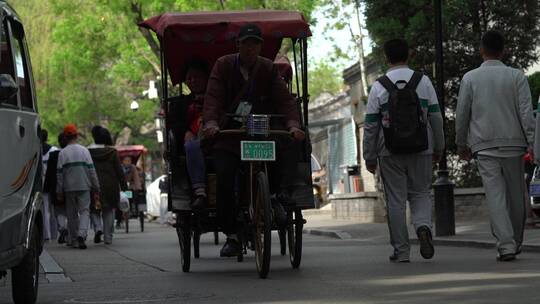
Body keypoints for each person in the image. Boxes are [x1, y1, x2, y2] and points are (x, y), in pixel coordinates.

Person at [202, 24, 305, 257]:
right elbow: (213, 99)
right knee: (224, 176)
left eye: (255, 44)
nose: (250, 48)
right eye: (246, 43)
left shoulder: (267, 68)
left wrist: (293, 125)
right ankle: (232, 234)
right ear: (238, 45)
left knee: (289, 145)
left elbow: (285, 101)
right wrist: (211, 124)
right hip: (229, 134)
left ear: (260, 46)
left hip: (260, 132)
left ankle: (279, 195)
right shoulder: (224, 65)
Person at [362, 38, 445, 263]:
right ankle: (423, 227)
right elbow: (436, 117)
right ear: (408, 55)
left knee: (396, 200)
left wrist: (369, 157)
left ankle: (401, 251)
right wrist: (438, 147)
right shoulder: (424, 82)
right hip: (422, 147)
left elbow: (370, 125)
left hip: (389, 151)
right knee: (420, 193)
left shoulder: (379, 86)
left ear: (386, 58)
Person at [456, 30, 535, 262]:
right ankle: (516, 240)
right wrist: (532, 142)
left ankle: (506, 244)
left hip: (484, 145)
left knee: (495, 196)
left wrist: (461, 144)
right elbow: (525, 113)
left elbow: (462, 115)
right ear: (503, 51)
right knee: (516, 194)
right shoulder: (516, 76)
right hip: (514, 144)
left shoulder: (470, 78)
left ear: (482, 50)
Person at [56, 124, 100, 249]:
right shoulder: (84, 150)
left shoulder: (62, 153)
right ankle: (82, 234)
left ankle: (74, 240)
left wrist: (59, 190)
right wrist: (96, 186)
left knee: (71, 214)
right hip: (84, 185)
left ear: (65, 137)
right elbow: (92, 170)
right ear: (76, 136)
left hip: (69, 188)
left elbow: (59, 174)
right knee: (85, 211)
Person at [88, 126, 128, 245]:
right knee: (109, 210)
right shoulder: (112, 152)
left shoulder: (88, 152)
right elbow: (119, 171)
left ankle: (98, 228)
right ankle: (108, 237)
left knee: (94, 209)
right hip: (110, 185)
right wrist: (124, 187)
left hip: (94, 186)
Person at [183, 60, 210, 210]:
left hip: (216, 135)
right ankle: (200, 193)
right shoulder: (182, 102)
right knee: (191, 146)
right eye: (189, 78)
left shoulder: (217, 97)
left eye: (197, 77)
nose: (192, 81)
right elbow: (178, 124)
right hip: (195, 140)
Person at [44, 133, 68, 243]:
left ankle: (62, 229)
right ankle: (71, 233)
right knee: (71, 211)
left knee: (58, 210)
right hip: (70, 186)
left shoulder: (54, 155)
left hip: (54, 187)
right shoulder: (71, 154)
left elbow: (48, 173)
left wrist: (46, 187)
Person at [41, 129, 60, 241]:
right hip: (53, 183)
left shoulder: (34, 150)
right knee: (54, 210)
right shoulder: (54, 150)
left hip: (41, 183)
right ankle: (55, 234)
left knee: (44, 210)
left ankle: (46, 235)